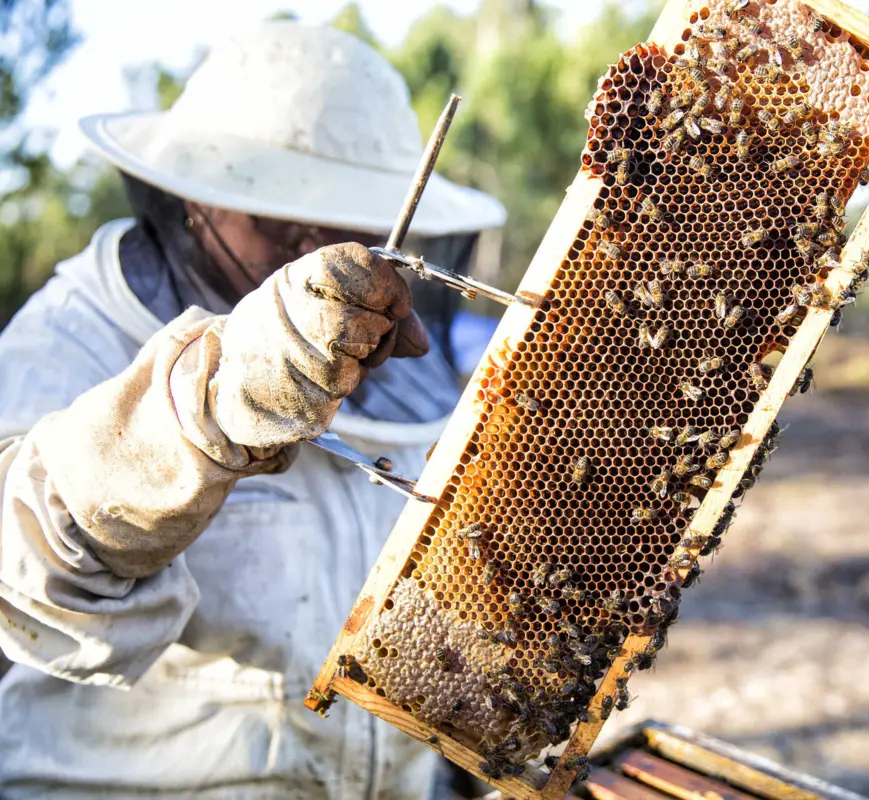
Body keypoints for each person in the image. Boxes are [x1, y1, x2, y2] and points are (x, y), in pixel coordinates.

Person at [0, 22, 506, 798]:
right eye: (278, 220)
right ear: (195, 200)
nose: (314, 249)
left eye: (346, 226)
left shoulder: (415, 389)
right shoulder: (73, 331)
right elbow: (20, 562)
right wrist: (207, 406)